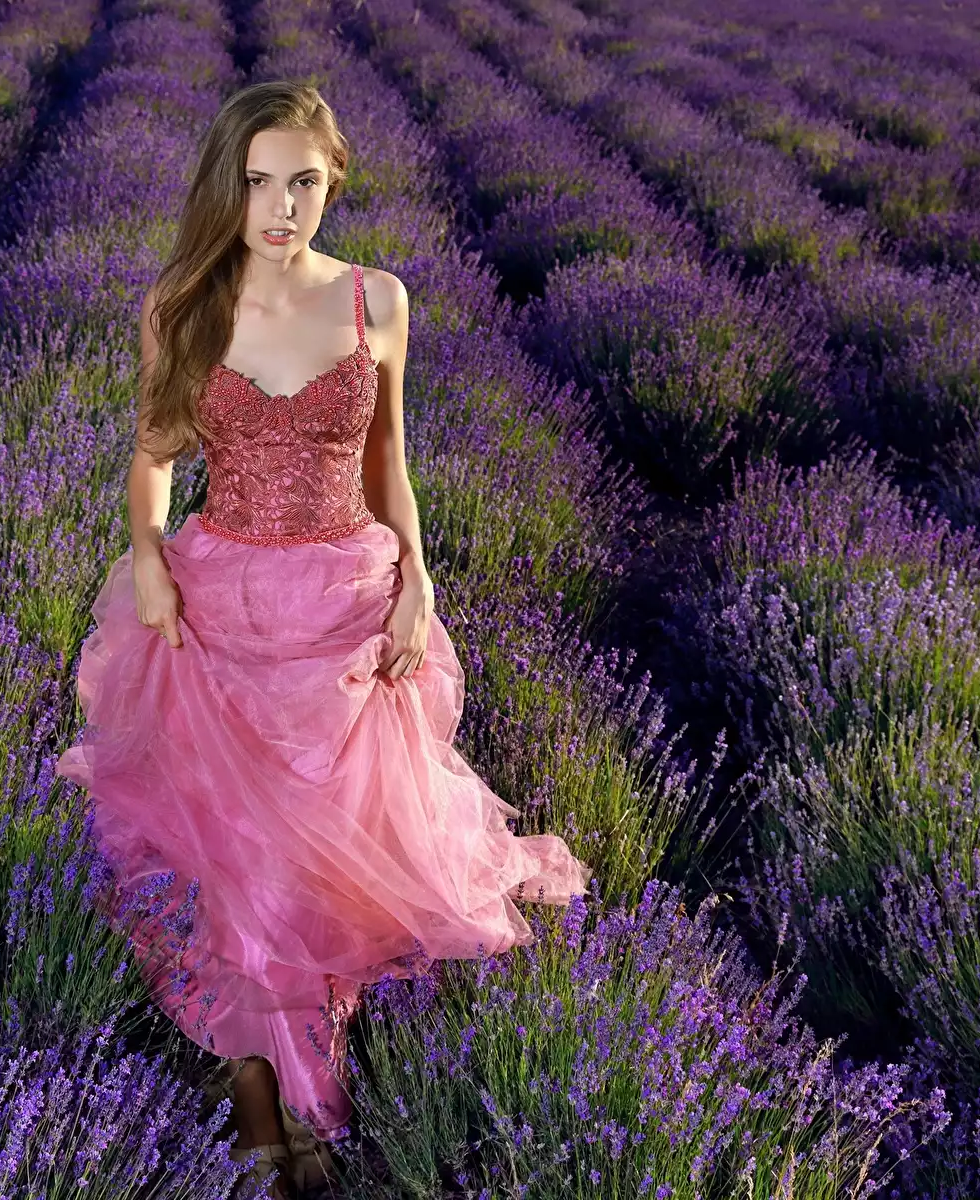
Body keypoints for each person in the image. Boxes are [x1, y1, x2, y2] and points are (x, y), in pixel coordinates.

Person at [53, 80, 591, 1199]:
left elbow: (388, 461)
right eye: (258, 181)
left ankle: (304, 1083)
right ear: (227, 185)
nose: (281, 205)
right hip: (222, 610)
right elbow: (153, 457)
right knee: (232, 861)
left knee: (323, 864)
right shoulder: (184, 304)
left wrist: (419, 583)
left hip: (348, 602)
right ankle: (265, 1101)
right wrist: (148, 558)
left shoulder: (376, 303)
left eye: (303, 180)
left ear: (333, 180)